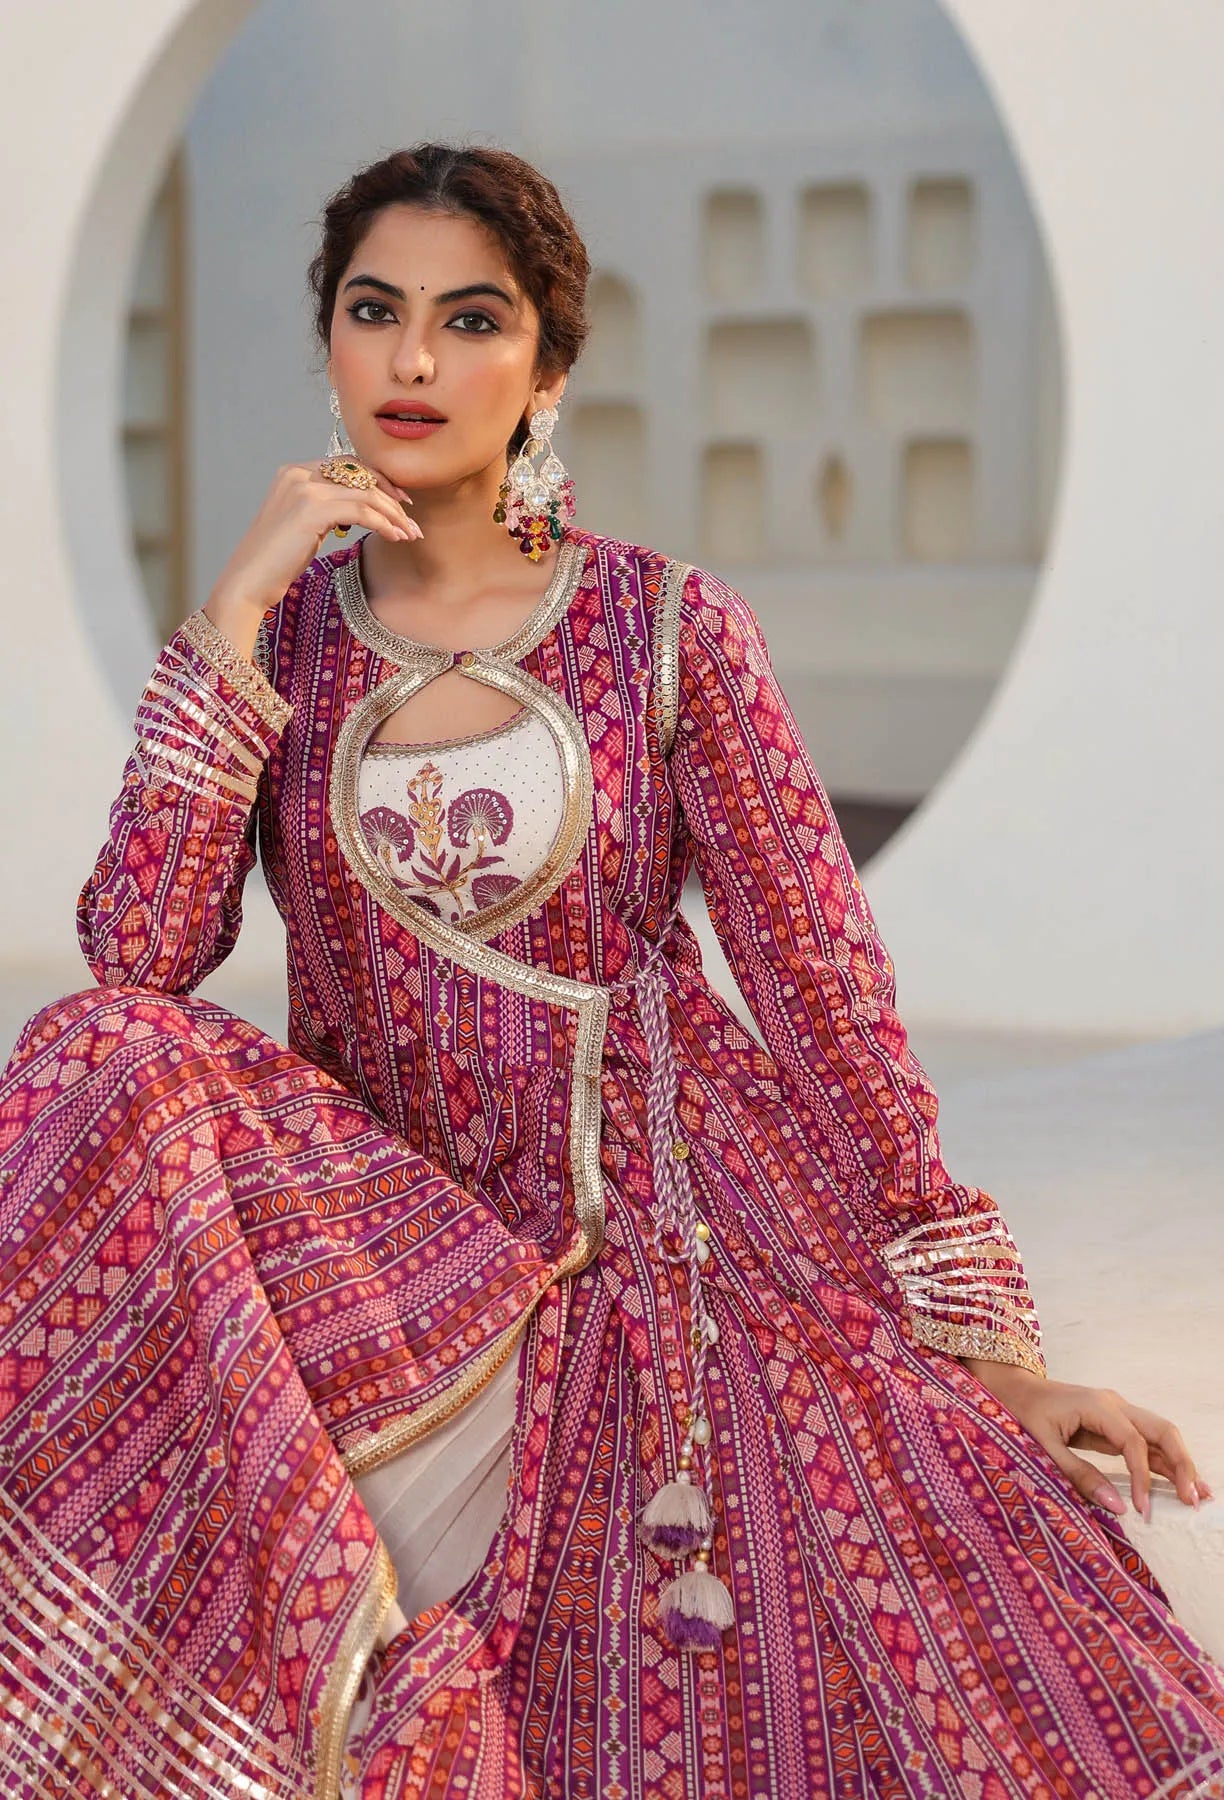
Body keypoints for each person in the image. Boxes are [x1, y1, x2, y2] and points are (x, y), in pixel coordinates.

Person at [1, 142, 1221, 1800]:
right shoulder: (280, 646)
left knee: (904, 1615)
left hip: (652, 1226)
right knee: (95, 1057)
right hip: (385, 1238)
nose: (416, 362)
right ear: (333, 346)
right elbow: (137, 970)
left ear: (548, 371)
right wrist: (231, 606)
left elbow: (824, 994)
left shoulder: (665, 630)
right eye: (375, 314)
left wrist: (991, 1347)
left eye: (471, 320)